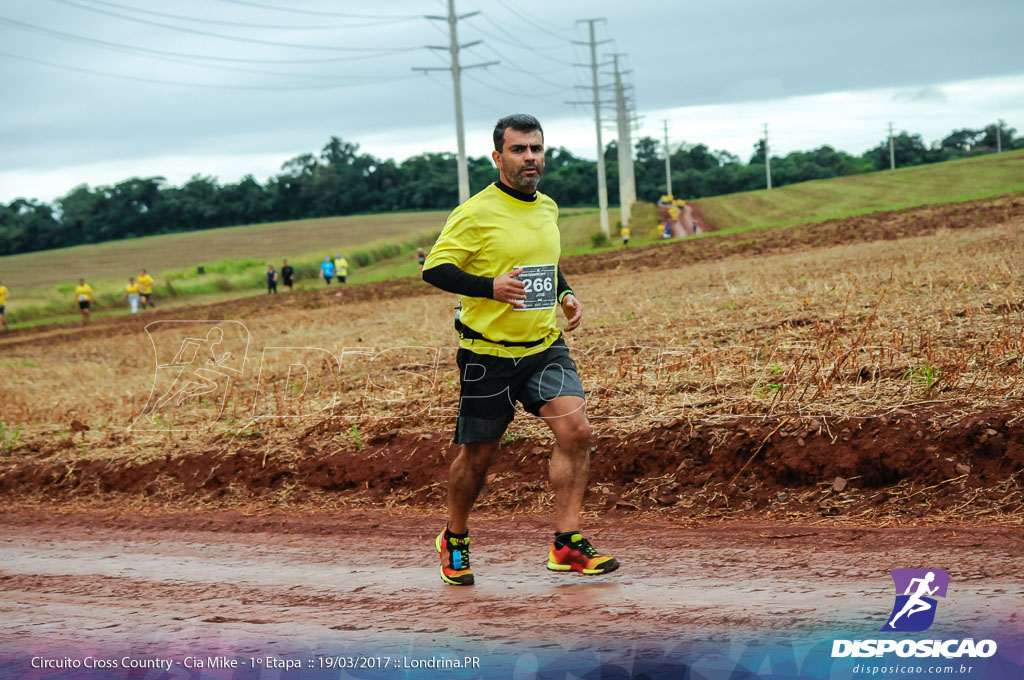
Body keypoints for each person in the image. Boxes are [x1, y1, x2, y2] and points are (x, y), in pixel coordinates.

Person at [422, 113, 619, 586]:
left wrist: (563, 293)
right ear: (498, 157)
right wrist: (489, 286)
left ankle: (567, 544)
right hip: (487, 354)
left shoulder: (547, 207)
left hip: (543, 348)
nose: (529, 157)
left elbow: (546, 265)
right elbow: (435, 269)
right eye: (519, 149)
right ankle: (455, 537)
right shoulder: (475, 213)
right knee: (479, 457)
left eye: (535, 148)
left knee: (575, 431)